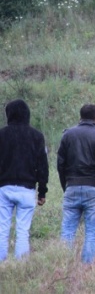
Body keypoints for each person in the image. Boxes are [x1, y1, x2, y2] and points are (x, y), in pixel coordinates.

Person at [57, 104, 95, 264]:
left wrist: (66, 185)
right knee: (92, 233)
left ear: (80, 117)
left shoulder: (67, 135)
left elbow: (60, 164)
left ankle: (63, 267)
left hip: (71, 187)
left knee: (67, 231)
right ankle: (86, 269)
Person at [0, 99, 48, 262]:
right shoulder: (36, 136)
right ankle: (21, 265)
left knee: (2, 229)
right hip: (27, 189)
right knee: (23, 230)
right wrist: (42, 191)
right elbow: (43, 165)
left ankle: (1, 264)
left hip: (3, 188)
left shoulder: (2, 135)